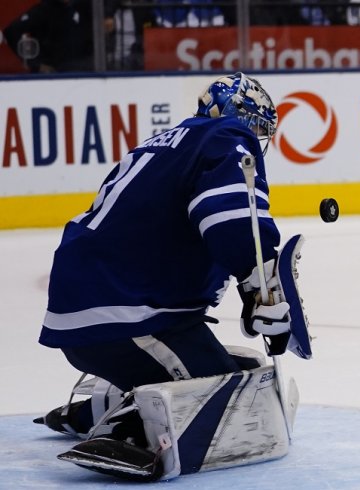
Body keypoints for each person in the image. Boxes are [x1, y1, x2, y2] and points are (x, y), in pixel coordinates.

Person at [34, 73, 312, 481]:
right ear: (236, 114)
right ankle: (130, 428)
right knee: (236, 393)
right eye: (256, 123)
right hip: (129, 311)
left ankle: (93, 405)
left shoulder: (162, 144)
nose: (257, 136)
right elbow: (229, 218)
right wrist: (260, 286)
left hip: (95, 301)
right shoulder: (226, 135)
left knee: (238, 362)